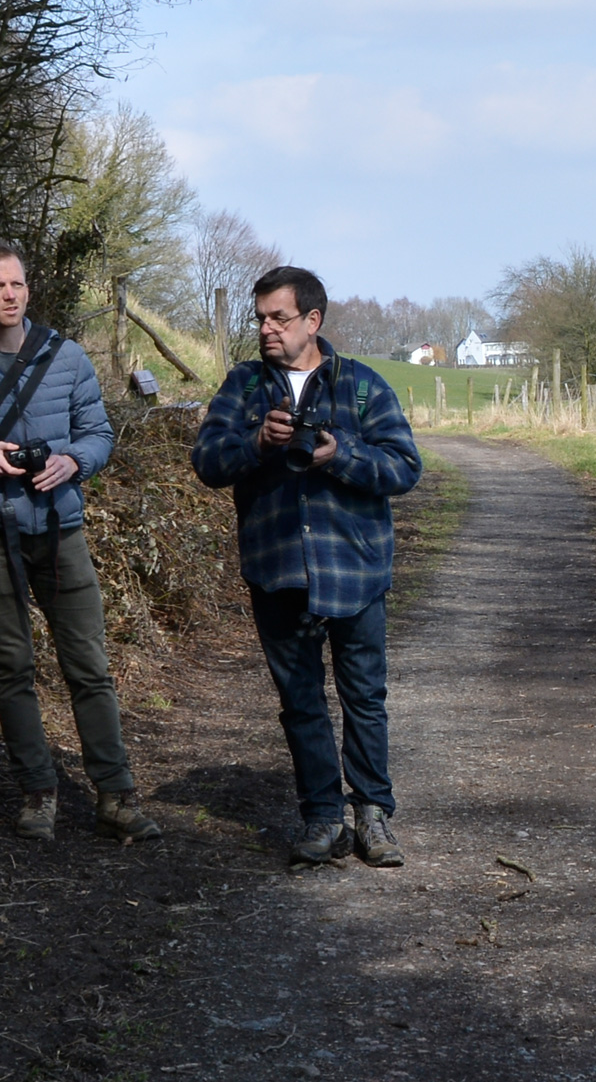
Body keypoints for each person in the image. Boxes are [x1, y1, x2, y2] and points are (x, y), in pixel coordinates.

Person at [0, 240, 159, 843]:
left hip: (61, 528)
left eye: (18, 284)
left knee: (89, 665)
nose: (10, 294)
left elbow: (99, 433)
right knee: (13, 666)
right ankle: (38, 794)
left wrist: (74, 461)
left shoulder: (67, 357)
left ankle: (116, 795)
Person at [190, 265, 421, 868]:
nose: (266, 328)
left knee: (364, 697)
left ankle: (373, 816)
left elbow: (404, 469)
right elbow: (209, 463)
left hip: (357, 569)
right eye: (260, 317)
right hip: (278, 567)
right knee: (299, 700)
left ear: (312, 320)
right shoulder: (242, 387)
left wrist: (338, 452)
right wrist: (257, 444)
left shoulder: (364, 387)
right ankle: (322, 818)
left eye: (279, 317)